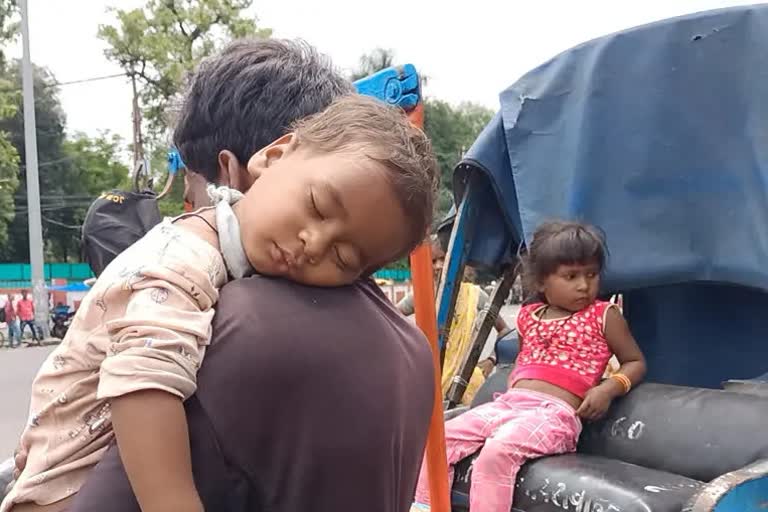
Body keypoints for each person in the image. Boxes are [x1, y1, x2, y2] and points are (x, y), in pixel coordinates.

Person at [3, 93, 439, 512]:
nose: (314, 242)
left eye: (345, 258)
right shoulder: (182, 259)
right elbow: (142, 386)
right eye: (318, 206)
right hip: (61, 488)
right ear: (275, 155)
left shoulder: (242, 267)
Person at [412, 221, 647, 512]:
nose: (584, 285)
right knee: (438, 441)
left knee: (497, 452)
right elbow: (527, 364)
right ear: (541, 282)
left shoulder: (603, 315)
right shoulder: (528, 316)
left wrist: (609, 388)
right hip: (509, 405)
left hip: (555, 415)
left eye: (591, 274)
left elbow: (635, 362)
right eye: (571, 276)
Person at [398, 235, 514, 404]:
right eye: (433, 261)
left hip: (468, 385)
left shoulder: (474, 295)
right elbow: (389, 322)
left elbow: (504, 331)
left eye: (443, 259)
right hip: (428, 384)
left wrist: (491, 360)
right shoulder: (419, 296)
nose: (438, 266)